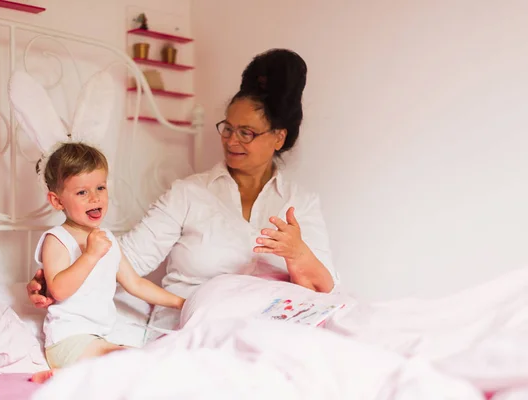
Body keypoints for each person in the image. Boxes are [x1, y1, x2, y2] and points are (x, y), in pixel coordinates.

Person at [27, 48, 339, 339]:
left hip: (264, 333)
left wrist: (298, 254)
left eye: (246, 133)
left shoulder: (299, 203)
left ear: (278, 138)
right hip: (191, 330)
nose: (231, 140)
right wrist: (57, 277)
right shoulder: (188, 194)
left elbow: (326, 291)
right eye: (227, 128)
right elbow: (127, 260)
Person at [29, 143, 184, 382]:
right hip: (67, 339)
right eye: (82, 192)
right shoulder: (57, 239)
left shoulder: (107, 239)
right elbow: (58, 289)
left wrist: (180, 302)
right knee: (129, 361)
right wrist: (90, 255)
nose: (95, 198)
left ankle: (74, 377)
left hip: (95, 339)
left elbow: (135, 284)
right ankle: (66, 377)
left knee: (138, 361)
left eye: (100, 187)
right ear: (57, 201)